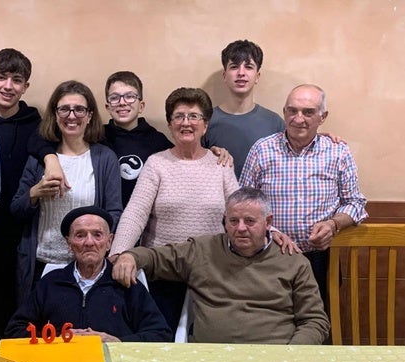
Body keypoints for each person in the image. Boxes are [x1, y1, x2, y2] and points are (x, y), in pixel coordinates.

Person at [112, 187, 330, 344]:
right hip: (210, 359)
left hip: (275, 359)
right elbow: (156, 257)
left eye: (250, 221)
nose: (240, 228)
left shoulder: (292, 260)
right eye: (233, 221)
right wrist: (130, 256)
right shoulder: (203, 249)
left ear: (268, 222)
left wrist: (293, 355)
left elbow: (314, 320)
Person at [109, 87, 239, 332]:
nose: (186, 123)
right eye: (179, 116)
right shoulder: (156, 163)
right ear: (170, 124)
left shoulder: (221, 165)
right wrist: (119, 253)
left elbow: (240, 213)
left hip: (211, 270)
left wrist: (270, 231)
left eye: (193, 116)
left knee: (209, 340)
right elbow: (136, 212)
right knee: (160, 338)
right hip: (162, 270)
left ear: (205, 125)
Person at [239, 84, 368, 305]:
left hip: (322, 259)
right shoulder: (261, 149)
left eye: (308, 112)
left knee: (319, 323)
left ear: (322, 116)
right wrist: (270, 230)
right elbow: (243, 204)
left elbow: (355, 202)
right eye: (293, 111)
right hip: (270, 256)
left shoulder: (338, 152)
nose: (299, 119)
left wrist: (333, 225)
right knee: (271, 326)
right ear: (284, 112)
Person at [11, 80, 122, 304]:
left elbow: (114, 212)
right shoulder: (39, 159)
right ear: (55, 114)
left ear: (90, 115)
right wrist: (35, 193)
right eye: (64, 109)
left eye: (79, 109)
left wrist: (95, 243)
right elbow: (15, 210)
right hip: (41, 264)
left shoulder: (105, 158)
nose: (72, 116)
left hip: (88, 267)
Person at [5, 206, 172, 342]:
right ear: (69, 244)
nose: (89, 242)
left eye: (97, 235)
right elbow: (14, 331)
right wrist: (56, 339)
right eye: (80, 235)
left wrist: (117, 342)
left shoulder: (126, 283)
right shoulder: (50, 283)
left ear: (109, 242)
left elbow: (161, 334)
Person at [0, 48, 47, 342]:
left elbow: (49, 147)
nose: (8, 86)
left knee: (19, 310)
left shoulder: (36, 124)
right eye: (1, 77)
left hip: (24, 232)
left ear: (26, 86)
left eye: (16, 80)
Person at [202, 40, 285, 178]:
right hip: (218, 198)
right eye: (234, 67)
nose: (241, 73)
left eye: (249, 67)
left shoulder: (275, 123)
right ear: (224, 76)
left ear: (257, 76)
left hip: (261, 198)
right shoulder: (205, 121)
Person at [102, 71, 174, 206]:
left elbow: (184, 162)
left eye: (130, 96)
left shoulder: (158, 141)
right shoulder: (96, 137)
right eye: (114, 98)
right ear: (108, 107)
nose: (122, 103)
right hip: (105, 220)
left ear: (141, 106)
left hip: (145, 219)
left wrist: (214, 151)